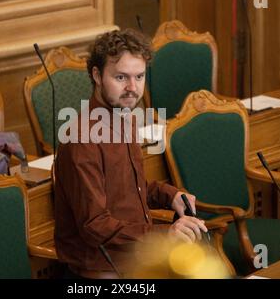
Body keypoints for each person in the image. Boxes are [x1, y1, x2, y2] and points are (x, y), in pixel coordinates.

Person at [54, 29, 208, 279]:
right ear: (97, 75)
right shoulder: (82, 139)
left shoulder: (126, 117)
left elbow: (127, 189)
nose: (132, 88)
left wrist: (170, 196)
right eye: (121, 77)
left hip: (137, 259)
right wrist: (164, 234)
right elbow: (95, 225)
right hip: (103, 270)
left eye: (139, 76)